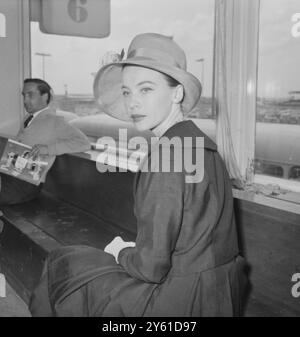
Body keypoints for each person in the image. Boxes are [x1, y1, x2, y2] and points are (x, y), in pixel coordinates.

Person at [29, 33, 247, 317]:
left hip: (177, 301)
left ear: (177, 93)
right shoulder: (201, 144)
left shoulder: (166, 157)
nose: (133, 103)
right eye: (127, 92)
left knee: (62, 263)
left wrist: (121, 251)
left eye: (146, 90)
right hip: (219, 292)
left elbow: (150, 268)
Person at [0, 78, 91, 205]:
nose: (25, 101)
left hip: (25, 184)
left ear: (45, 96)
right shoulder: (28, 119)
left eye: (30, 95)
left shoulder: (55, 121)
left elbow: (83, 142)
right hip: (10, 175)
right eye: (24, 95)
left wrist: (48, 149)